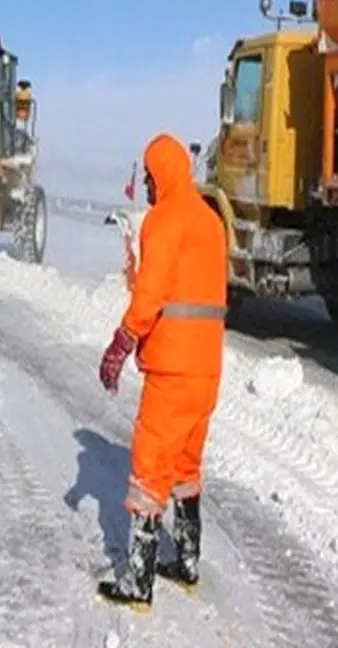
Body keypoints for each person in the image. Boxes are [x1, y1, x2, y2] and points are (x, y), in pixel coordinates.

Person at [95, 132, 228, 612]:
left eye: (149, 177)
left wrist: (122, 341)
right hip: (207, 370)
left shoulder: (164, 220)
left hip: (171, 370)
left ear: (161, 174)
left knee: (150, 470)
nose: (148, 186)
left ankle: (138, 582)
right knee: (186, 469)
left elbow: (150, 296)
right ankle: (188, 564)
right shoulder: (211, 222)